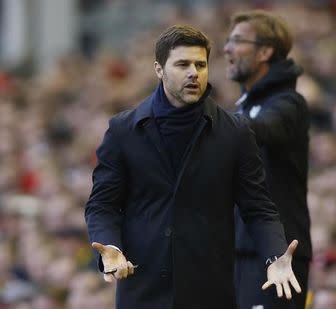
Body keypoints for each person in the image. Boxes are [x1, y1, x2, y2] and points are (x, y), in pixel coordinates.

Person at [84, 25, 301, 309]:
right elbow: (102, 204)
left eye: (201, 64)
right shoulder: (123, 130)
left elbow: (258, 208)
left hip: (210, 291)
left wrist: (275, 256)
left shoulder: (235, 132)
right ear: (159, 69)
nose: (193, 73)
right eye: (182, 64)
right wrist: (110, 248)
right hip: (142, 290)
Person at [224, 10, 311, 309]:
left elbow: (267, 129)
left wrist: (206, 117)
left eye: (237, 41)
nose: (227, 49)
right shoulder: (244, 109)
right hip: (239, 252)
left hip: (278, 256)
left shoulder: (289, 103)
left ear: (264, 51)